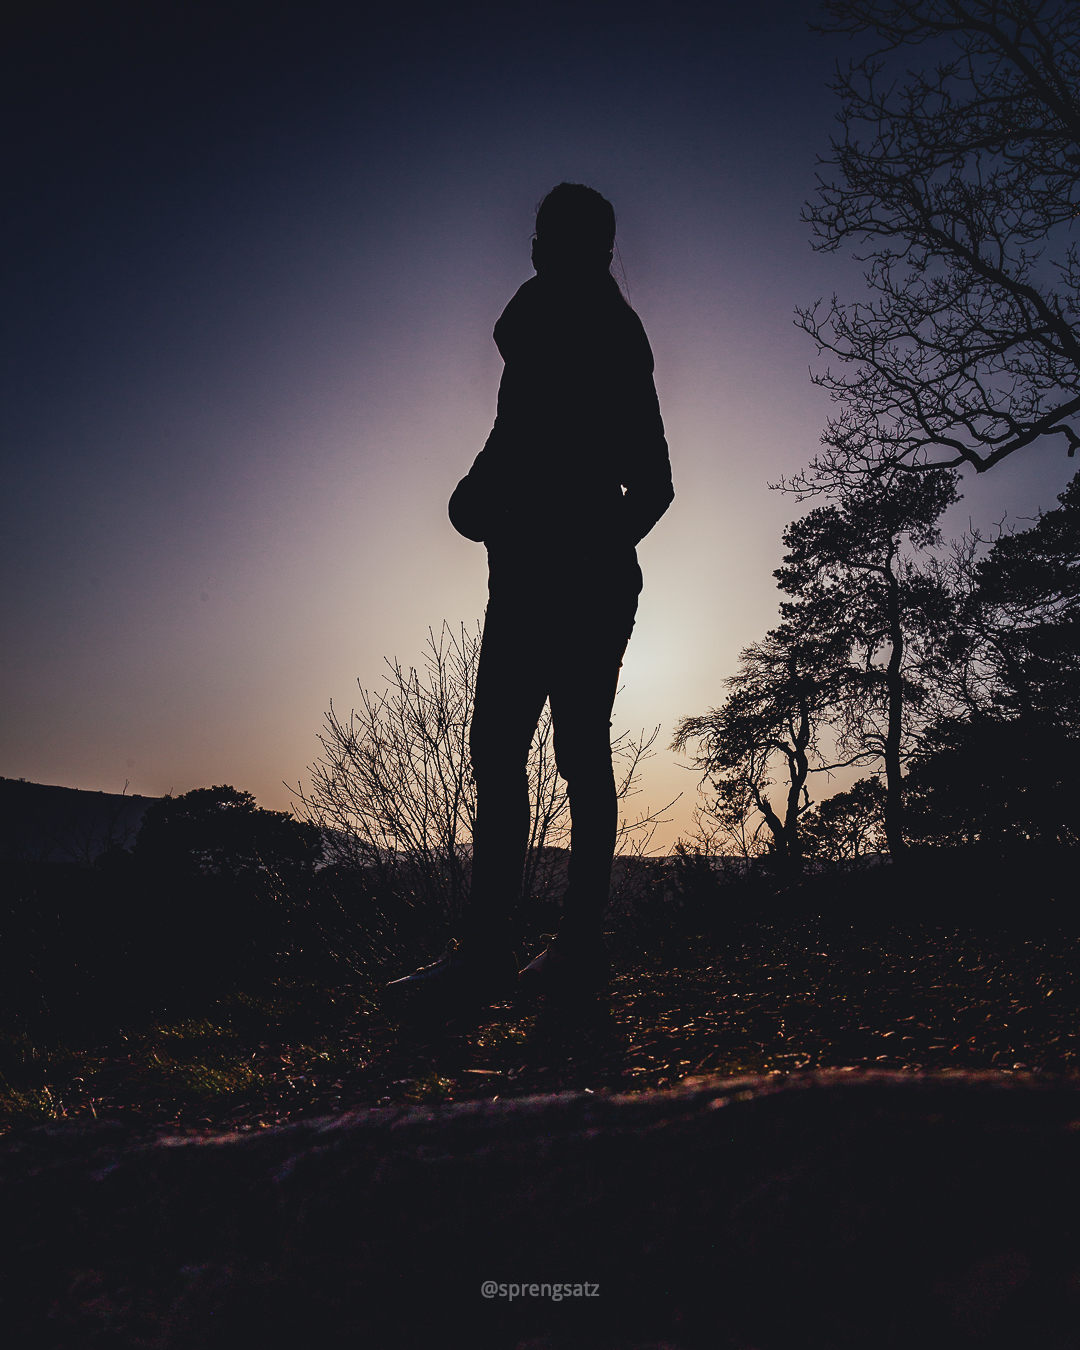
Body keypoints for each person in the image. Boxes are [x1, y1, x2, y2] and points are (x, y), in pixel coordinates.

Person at [388, 183, 673, 1005]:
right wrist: (473, 498)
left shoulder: (614, 338)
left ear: (594, 250)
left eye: (557, 237)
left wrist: (587, 550)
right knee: (496, 754)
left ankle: (575, 952)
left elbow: (653, 483)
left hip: (584, 586)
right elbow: (508, 444)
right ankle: (484, 955)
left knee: (579, 754)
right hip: (520, 584)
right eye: (539, 235)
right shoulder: (531, 338)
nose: (540, 248)